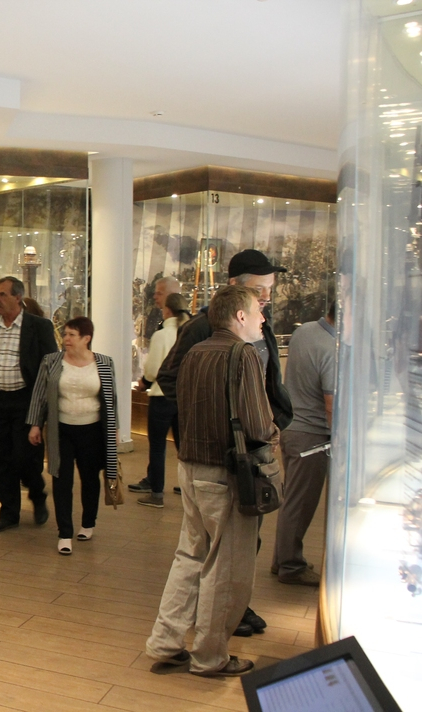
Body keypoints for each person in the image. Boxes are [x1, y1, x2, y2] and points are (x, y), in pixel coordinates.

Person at [155, 248, 292, 636]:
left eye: (269, 290)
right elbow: (170, 378)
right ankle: (213, 633)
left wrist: (273, 421)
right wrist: (213, 424)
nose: (266, 298)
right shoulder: (206, 330)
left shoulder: (260, 327)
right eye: (259, 290)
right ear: (237, 293)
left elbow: (268, 384)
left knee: (235, 542)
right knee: (218, 548)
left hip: (246, 452)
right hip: (222, 457)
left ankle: (224, 613)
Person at [145, 284, 278, 678]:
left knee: (190, 556)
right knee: (226, 565)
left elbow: (170, 385)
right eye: (258, 311)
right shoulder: (243, 354)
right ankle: (210, 655)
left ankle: (166, 642)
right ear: (240, 316)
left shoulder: (196, 351)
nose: (262, 318)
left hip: (190, 465)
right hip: (225, 473)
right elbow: (257, 423)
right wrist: (273, 435)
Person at [26, 317, 118, 555]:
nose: (66, 339)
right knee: (61, 479)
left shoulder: (104, 363)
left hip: (92, 430)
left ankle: (88, 523)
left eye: (72, 335)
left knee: (90, 478)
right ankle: (64, 533)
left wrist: (115, 429)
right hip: (61, 430)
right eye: (65, 334)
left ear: (86, 338)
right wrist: (35, 424)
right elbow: (39, 395)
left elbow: (111, 399)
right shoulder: (51, 361)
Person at [0, 276, 58, 533]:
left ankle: (37, 494)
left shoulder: (38, 326)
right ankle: (9, 513)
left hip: (25, 402)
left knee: (24, 457)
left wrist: (42, 407)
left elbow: (50, 366)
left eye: (2, 294)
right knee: (1, 459)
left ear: (18, 297)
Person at [271, 303, 335, 586]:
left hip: (292, 427)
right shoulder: (331, 348)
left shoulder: (305, 331)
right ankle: (291, 565)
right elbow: (331, 404)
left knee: (293, 498)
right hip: (312, 435)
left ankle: (282, 559)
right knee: (300, 503)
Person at [130, 292, 191, 507]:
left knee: (157, 447)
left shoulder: (162, 335)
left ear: (167, 310)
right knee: (184, 447)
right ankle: (188, 488)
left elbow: (153, 369)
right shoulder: (190, 333)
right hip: (183, 397)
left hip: (161, 396)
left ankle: (156, 493)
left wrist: (144, 383)